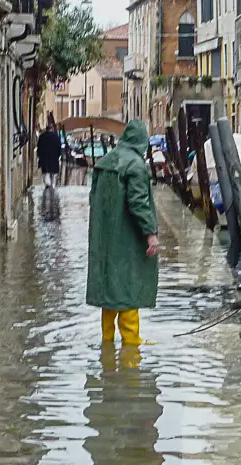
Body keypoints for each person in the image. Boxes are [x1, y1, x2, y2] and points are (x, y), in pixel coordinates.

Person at [86, 119, 159, 346]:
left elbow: (92, 199)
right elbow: (139, 203)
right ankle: (132, 350)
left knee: (110, 290)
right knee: (128, 287)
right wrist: (150, 233)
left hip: (104, 238)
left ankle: (106, 344)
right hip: (127, 239)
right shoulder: (135, 166)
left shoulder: (104, 163)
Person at [37, 123, 62, 188]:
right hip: (54, 158)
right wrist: (58, 155)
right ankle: (52, 184)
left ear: (46, 129)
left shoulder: (42, 136)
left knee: (45, 172)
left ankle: (47, 184)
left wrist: (39, 156)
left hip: (44, 158)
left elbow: (39, 147)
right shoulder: (56, 137)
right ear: (52, 129)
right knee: (53, 173)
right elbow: (59, 147)